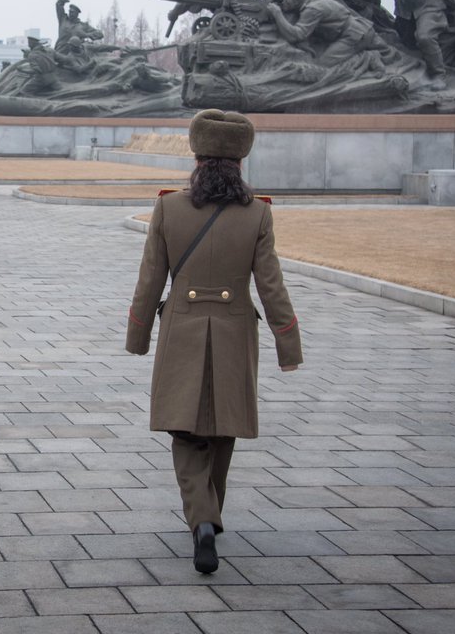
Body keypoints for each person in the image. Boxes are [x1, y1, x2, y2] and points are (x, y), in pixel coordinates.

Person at [126, 109, 302, 575]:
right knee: (222, 426)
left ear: (197, 157)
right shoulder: (258, 214)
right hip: (234, 330)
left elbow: (150, 281)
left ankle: (202, 518)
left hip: (182, 329)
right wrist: (289, 345)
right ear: (240, 163)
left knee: (184, 431)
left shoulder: (168, 207)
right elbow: (272, 286)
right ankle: (210, 515)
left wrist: (137, 335)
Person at [265, 0, 393, 67]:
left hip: (354, 36)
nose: (283, 2)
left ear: (296, 0)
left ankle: (368, 58)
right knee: (391, 55)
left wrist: (277, 14)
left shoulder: (312, 9)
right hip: (359, 30)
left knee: (323, 65)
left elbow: (297, 35)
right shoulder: (314, 2)